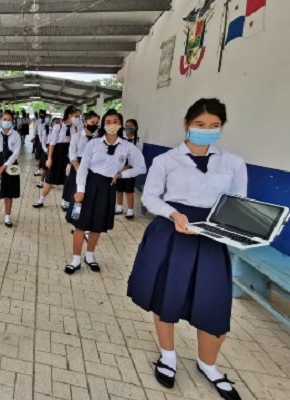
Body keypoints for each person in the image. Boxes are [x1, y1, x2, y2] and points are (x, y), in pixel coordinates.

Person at [127, 99, 246, 400]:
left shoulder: (233, 163)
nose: (207, 131)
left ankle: (208, 365)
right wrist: (173, 214)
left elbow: (237, 203)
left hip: (210, 238)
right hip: (172, 233)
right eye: (200, 125)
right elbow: (151, 198)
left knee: (213, 302)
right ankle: (168, 355)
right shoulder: (166, 161)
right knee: (166, 295)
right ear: (186, 124)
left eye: (214, 126)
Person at [65, 109, 146, 274]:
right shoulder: (93, 143)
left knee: (97, 225)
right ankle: (75, 260)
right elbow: (83, 168)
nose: (112, 125)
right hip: (88, 184)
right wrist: (80, 190)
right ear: (103, 124)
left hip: (108, 187)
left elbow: (141, 167)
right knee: (80, 224)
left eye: (115, 121)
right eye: (108, 122)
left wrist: (122, 174)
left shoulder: (127, 147)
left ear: (121, 124)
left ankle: (90, 256)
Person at [33, 106, 80, 209]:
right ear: (69, 115)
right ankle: (41, 199)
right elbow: (52, 144)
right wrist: (49, 158)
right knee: (49, 179)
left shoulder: (75, 128)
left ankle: (64, 202)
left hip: (69, 155)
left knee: (67, 179)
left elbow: (75, 143)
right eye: (76, 116)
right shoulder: (58, 127)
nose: (78, 119)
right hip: (57, 154)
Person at [0, 110, 21, 227]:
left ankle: (7, 217)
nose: (6, 122)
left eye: (9, 120)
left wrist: (5, 166)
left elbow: (16, 153)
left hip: (11, 165)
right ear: (1, 120)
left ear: (12, 121)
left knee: (9, 192)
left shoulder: (16, 135)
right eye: (4, 119)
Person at [62, 111, 99, 208]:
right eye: (92, 122)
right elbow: (72, 154)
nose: (95, 125)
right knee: (74, 185)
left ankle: (83, 207)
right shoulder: (76, 136)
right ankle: (68, 204)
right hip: (78, 163)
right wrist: (79, 169)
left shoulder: (98, 138)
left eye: (96, 123)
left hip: (92, 165)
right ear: (85, 122)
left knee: (87, 188)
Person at [115, 119, 144, 218]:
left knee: (129, 190)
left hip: (131, 168)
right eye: (126, 126)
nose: (128, 128)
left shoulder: (138, 141)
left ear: (135, 128)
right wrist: (120, 166)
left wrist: (127, 166)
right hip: (120, 166)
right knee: (119, 188)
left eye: (130, 126)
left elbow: (137, 156)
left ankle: (130, 210)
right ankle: (119, 207)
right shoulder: (121, 139)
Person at [36, 113, 52, 189]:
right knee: (45, 167)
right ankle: (41, 182)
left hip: (52, 148)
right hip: (46, 148)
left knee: (50, 167)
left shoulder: (52, 127)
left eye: (49, 118)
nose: (48, 119)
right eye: (47, 118)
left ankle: (48, 181)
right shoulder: (44, 128)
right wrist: (45, 149)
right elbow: (42, 140)